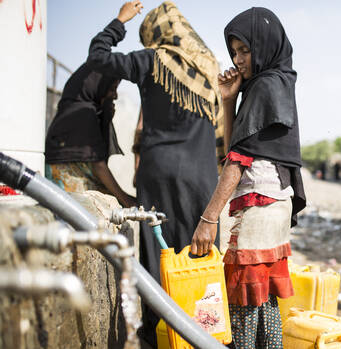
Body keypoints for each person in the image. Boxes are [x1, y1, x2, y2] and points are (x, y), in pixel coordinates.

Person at [87, 1, 222, 345]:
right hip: (201, 177)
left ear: (155, 34)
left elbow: (98, 55)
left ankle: (158, 334)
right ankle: (204, 332)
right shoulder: (207, 68)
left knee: (157, 255)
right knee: (200, 256)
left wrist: (120, 21)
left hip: (159, 173)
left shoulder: (150, 60)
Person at [190, 7, 305, 348]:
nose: (238, 60)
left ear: (264, 45)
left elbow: (236, 161)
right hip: (274, 206)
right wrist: (229, 99)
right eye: (234, 52)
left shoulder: (265, 86)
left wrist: (208, 218)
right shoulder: (273, 83)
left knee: (241, 306)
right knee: (264, 300)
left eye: (245, 50)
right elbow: (234, 149)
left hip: (257, 206)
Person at [45, 63, 136, 208]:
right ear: (98, 88)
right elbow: (98, 166)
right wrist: (126, 201)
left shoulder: (81, 110)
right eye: (112, 89)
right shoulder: (84, 113)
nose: (115, 95)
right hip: (68, 194)